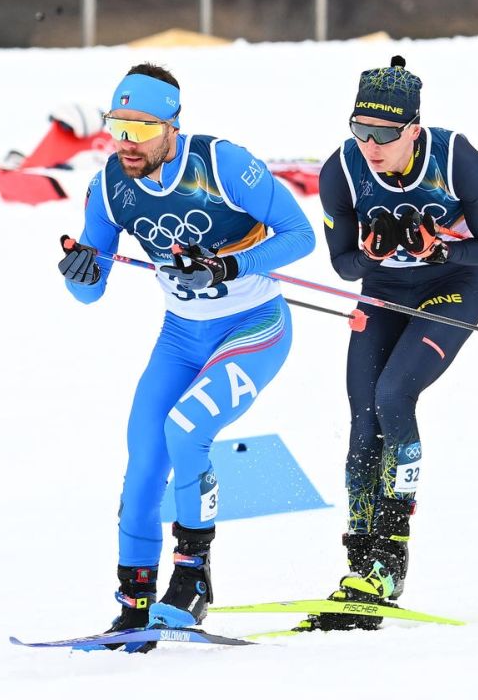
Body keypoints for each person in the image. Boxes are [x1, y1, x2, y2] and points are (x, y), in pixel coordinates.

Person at [58, 62, 315, 640]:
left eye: (142, 130)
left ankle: (193, 580)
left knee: (186, 429)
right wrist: (78, 272)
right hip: (181, 337)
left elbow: (301, 235)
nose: (127, 143)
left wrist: (228, 265)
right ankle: (134, 599)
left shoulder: (223, 164)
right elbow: (90, 291)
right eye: (117, 127)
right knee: (144, 462)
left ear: (173, 126)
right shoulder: (110, 186)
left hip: (254, 327)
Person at [308, 55, 478, 631]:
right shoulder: (341, 170)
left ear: (413, 130)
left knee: (394, 395)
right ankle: (360, 562)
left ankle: (392, 555)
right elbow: (343, 265)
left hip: (452, 289)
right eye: (360, 129)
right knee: (363, 417)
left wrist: (441, 249)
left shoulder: (456, 157)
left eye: (385, 134)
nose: (370, 144)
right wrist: (369, 254)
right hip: (384, 294)